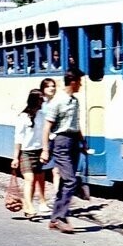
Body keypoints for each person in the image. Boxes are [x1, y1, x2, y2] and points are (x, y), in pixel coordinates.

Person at [39, 68, 85, 234]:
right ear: (72, 82)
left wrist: (82, 142)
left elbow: (75, 124)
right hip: (61, 142)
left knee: (66, 181)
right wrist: (45, 150)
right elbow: (47, 127)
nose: (80, 85)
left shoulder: (75, 101)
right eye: (79, 82)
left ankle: (54, 218)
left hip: (73, 142)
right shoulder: (57, 102)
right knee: (70, 180)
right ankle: (61, 218)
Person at [11, 89, 51, 218]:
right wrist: (15, 157)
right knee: (29, 179)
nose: (42, 102)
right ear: (34, 100)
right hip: (26, 153)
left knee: (34, 181)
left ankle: (28, 206)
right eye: (40, 99)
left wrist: (46, 149)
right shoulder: (23, 117)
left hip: (39, 152)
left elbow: (46, 133)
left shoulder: (42, 115)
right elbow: (18, 138)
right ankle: (30, 206)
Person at [38, 77, 60, 192]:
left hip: (56, 138)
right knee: (41, 169)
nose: (52, 88)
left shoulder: (57, 103)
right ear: (43, 89)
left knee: (57, 170)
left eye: (53, 86)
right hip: (44, 139)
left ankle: (57, 194)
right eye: (48, 86)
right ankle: (41, 197)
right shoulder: (41, 105)